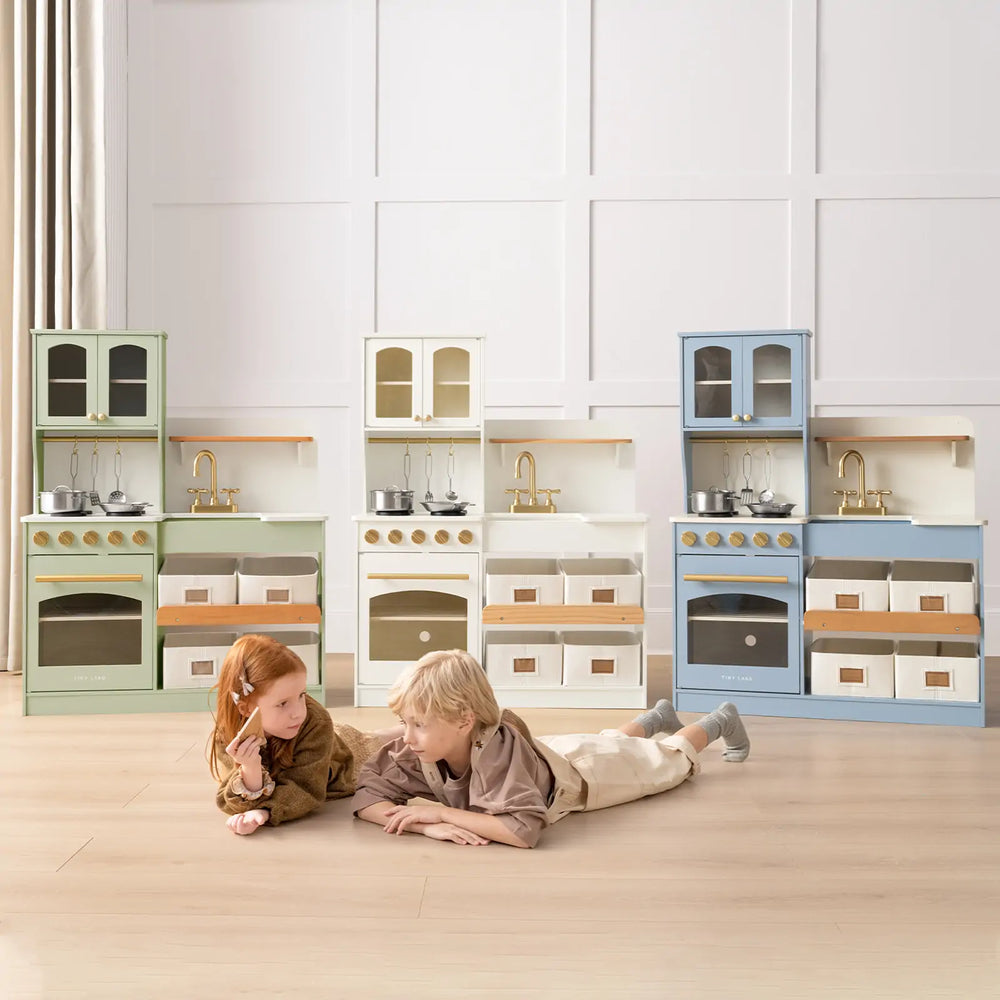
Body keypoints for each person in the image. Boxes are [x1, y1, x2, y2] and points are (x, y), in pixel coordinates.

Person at [352, 649, 750, 848]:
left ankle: (720, 720)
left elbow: (522, 831)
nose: (406, 736)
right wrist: (426, 826)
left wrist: (440, 811)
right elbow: (366, 795)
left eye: (419, 724)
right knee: (608, 742)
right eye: (405, 722)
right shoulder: (418, 748)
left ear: (463, 720)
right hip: (548, 755)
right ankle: (656, 717)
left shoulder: (496, 753)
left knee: (667, 762)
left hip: (582, 778)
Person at [208, 634, 400, 836]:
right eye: (283, 703)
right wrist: (250, 768)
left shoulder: (315, 720)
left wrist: (266, 811)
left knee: (376, 742)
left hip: (336, 750)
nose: (299, 712)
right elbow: (231, 797)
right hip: (317, 737)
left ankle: (403, 727)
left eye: (302, 695)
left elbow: (306, 787)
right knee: (370, 738)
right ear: (245, 708)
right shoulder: (228, 734)